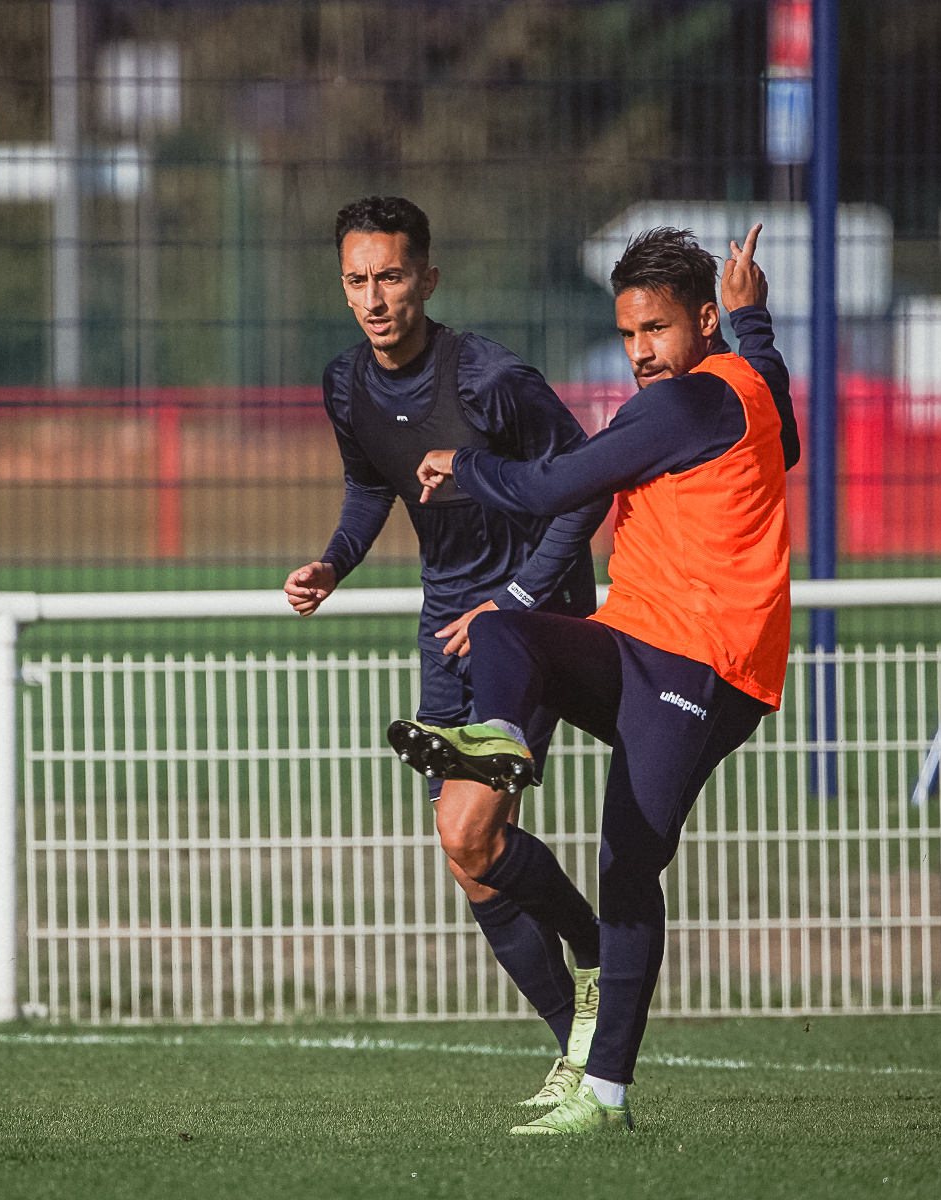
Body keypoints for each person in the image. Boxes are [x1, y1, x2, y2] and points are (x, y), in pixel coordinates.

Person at [391, 223, 799, 1134]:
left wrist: (465, 464)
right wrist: (754, 318)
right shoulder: (748, 384)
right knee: (507, 633)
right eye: (626, 335)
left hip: (705, 668)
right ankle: (499, 741)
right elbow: (781, 412)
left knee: (628, 865)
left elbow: (548, 487)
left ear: (701, 322)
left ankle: (605, 1094)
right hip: (634, 641)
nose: (640, 352)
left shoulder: (688, 405)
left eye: (655, 330)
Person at [285, 196, 606, 1106]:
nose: (374, 298)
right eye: (357, 280)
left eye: (391, 276)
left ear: (427, 278)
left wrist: (514, 599)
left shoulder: (492, 381)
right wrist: (335, 562)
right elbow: (365, 487)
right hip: (445, 623)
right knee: (466, 854)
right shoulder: (345, 382)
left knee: (469, 830)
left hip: (530, 617)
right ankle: (580, 1053)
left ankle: (597, 955)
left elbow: (585, 489)